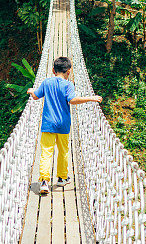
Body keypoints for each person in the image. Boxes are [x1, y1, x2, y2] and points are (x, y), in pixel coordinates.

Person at [27, 56, 102, 195]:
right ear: (68, 71)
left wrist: (32, 91)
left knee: (46, 152)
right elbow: (72, 100)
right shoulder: (68, 85)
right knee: (63, 151)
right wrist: (91, 98)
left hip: (48, 125)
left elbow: (36, 96)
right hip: (63, 125)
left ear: (53, 70)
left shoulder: (46, 82)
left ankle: (44, 181)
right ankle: (62, 177)